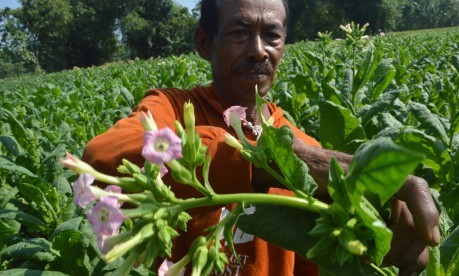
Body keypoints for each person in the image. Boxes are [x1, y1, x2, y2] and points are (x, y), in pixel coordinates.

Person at [82, 0, 440, 275]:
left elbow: (317, 263)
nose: (258, 50)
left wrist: (377, 250)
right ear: (205, 43)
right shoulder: (171, 107)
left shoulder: (305, 147)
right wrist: (268, 162)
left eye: (272, 35)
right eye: (239, 32)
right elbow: (103, 156)